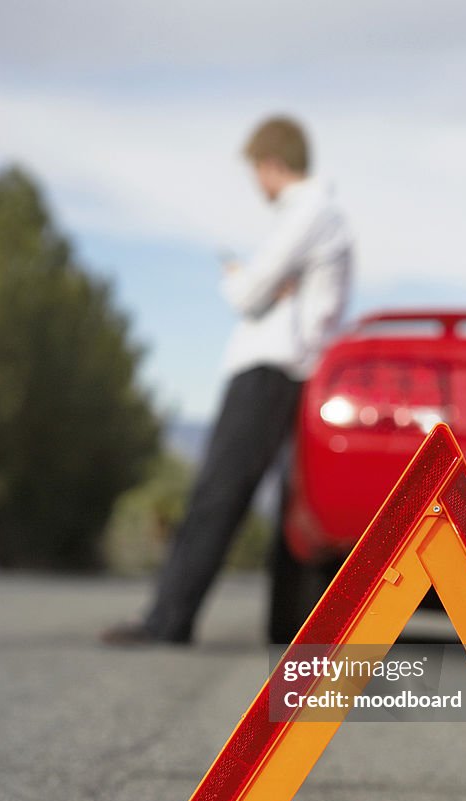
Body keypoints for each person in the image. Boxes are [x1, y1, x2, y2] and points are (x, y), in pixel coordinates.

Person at [103, 116, 353, 645]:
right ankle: (263, 625)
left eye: (256, 171)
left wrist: (241, 278)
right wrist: (268, 286)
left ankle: (168, 620)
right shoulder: (319, 215)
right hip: (292, 369)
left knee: (217, 495)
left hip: (270, 370)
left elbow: (248, 295)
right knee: (275, 498)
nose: (256, 184)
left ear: (271, 163)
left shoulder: (308, 212)